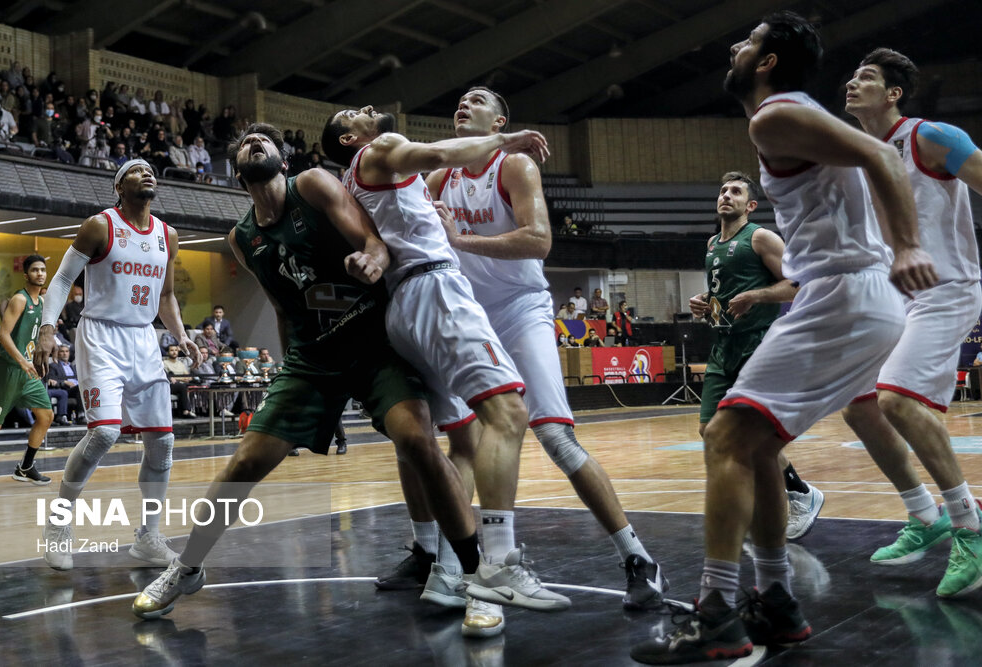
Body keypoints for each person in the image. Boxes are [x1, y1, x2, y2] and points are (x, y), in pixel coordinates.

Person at [631, 12, 937, 664]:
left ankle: (716, 609)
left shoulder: (774, 116)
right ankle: (775, 598)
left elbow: (883, 154)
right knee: (760, 447)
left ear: (768, 61)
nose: (735, 46)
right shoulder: (791, 120)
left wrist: (907, 244)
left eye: (749, 41)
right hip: (844, 296)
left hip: (843, 296)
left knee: (725, 437)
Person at [133, 123, 485, 620]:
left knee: (417, 441)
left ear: (283, 160)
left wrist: (373, 260)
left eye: (266, 141)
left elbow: (373, 239)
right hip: (311, 359)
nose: (256, 142)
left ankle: (476, 575)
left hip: (374, 341)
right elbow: (281, 307)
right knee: (244, 463)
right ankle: (187, 567)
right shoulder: (242, 238)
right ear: (237, 173)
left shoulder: (314, 184)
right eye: (246, 143)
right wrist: (288, 371)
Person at [323, 104, 570, 633]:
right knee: (508, 414)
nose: (369, 109)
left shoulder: (352, 183)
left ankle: (444, 568)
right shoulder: (381, 149)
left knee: (454, 439)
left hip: (403, 306)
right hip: (437, 291)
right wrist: (509, 139)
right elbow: (438, 152)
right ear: (349, 139)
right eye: (355, 113)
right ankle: (497, 564)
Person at [839, 48, 982, 597]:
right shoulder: (858, 153)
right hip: (893, 296)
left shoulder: (931, 137)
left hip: (945, 289)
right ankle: (925, 514)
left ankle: (969, 525)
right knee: (860, 407)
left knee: (897, 401)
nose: (853, 84)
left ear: (894, 93)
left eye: (867, 77)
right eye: (852, 76)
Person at [35, 159, 202, 571]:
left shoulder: (168, 235)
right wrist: (46, 328)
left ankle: (148, 537)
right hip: (100, 335)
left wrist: (180, 334)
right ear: (118, 186)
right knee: (105, 434)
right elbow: (60, 281)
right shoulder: (100, 226)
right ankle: (58, 524)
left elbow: (165, 297)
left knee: (162, 442)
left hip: (144, 338)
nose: (147, 173)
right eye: (135, 170)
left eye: (150, 170)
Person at [688, 172, 823, 541]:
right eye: (722, 190)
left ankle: (796, 494)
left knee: (754, 433)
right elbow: (726, 292)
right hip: (722, 347)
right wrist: (703, 303)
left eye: (735, 192)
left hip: (757, 344)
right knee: (708, 430)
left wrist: (757, 297)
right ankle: (789, 493)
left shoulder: (760, 237)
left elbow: (796, 284)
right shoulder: (712, 243)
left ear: (750, 205)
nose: (725, 195)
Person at [0, 255, 53, 484]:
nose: (40, 273)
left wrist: (41, 354)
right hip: (10, 370)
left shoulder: (41, 302)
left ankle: (25, 467)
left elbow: (38, 334)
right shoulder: (19, 300)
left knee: (46, 416)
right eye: (35, 270)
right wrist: (23, 360)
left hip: (28, 372)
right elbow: (3, 335)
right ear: (26, 275)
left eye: (42, 269)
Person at [46, 344, 84, 424]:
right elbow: (52, 381)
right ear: (58, 354)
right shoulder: (53, 366)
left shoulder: (73, 367)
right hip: (65, 389)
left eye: (67, 351)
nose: (65, 353)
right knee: (79, 389)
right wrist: (64, 382)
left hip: (77, 388)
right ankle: (81, 415)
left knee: (85, 387)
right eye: (62, 351)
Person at [162, 344, 195, 418]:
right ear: (167, 352)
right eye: (172, 350)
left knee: (191, 385)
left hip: (182, 384)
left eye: (176, 350)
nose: (174, 352)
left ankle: (188, 411)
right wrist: (182, 379)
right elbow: (170, 377)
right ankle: (186, 411)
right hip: (171, 385)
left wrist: (187, 378)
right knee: (182, 386)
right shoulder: (164, 363)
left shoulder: (181, 363)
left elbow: (187, 375)